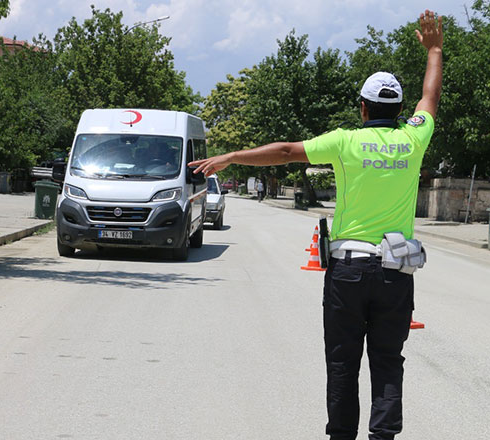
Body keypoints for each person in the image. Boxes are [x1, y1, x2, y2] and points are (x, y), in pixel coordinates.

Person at [189, 10, 443, 440]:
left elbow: (287, 150)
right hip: (395, 274)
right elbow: (430, 99)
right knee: (387, 362)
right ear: (399, 110)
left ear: (362, 108)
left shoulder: (345, 141)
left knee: (343, 361)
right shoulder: (413, 137)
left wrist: (232, 156)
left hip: (348, 271)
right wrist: (434, 50)